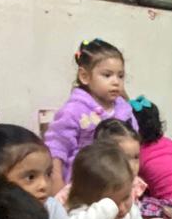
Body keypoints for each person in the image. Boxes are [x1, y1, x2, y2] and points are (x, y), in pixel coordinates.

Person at [46, 38, 137, 190]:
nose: (116, 82)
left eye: (120, 76)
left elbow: (135, 143)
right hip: (83, 186)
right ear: (85, 76)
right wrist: (56, 181)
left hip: (119, 183)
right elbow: (56, 148)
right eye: (107, 75)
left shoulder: (124, 110)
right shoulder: (74, 110)